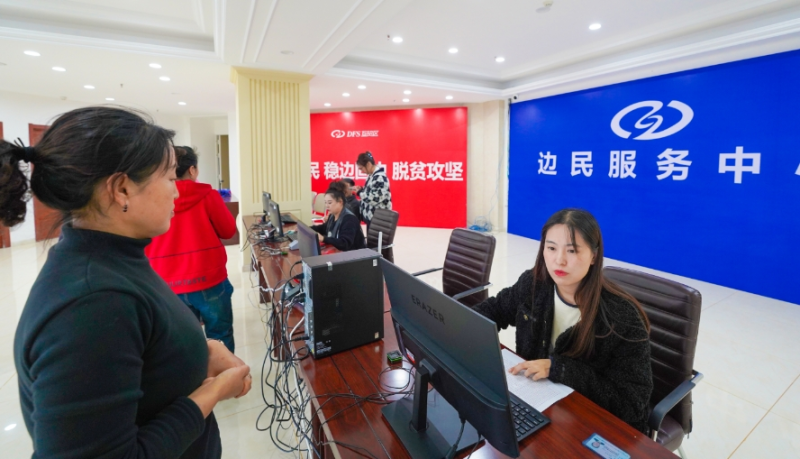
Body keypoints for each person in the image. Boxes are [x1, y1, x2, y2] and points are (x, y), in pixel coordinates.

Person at [3, 107, 251, 459]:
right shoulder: (92, 304)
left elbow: (140, 352)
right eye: (170, 179)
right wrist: (212, 392)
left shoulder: (115, 258)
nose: (176, 193)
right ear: (121, 189)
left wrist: (198, 351)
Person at [472, 209, 653, 434]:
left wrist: (561, 369)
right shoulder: (535, 284)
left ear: (594, 256)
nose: (559, 260)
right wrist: (460, 327)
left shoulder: (621, 316)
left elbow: (632, 403)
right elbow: (495, 309)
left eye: (572, 250)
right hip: (538, 407)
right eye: (551, 248)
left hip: (592, 425)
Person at [145, 146, 237, 353]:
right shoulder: (208, 195)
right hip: (209, 279)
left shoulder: (148, 198)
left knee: (183, 343)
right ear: (192, 170)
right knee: (220, 336)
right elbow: (228, 231)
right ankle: (226, 371)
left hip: (165, 284)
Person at [310, 181, 366, 251]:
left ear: (340, 202)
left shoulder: (349, 219)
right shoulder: (333, 215)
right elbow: (325, 228)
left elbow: (345, 243)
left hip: (355, 255)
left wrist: (323, 238)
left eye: (330, 203)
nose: (327, 206)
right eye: (325, 203)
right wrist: (308, 229)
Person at [352, 151, 391, 228]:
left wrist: (359, 193)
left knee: (375, 236)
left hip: (378, 219)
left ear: (368, 164)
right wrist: (362, 189)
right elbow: (373, 191)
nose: (362, 171)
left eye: (361, 168)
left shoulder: (379, 177)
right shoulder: (372, 176)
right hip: (373, 217)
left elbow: (376, 198)